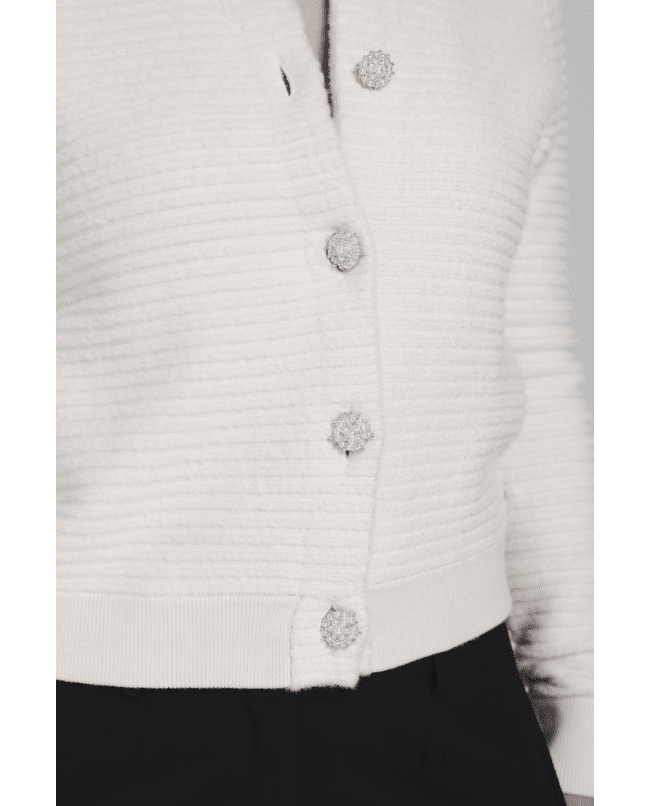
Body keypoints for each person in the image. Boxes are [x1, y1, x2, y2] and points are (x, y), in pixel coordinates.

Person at [56, 1, 594, 803]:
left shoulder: (509, 13)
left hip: (469, 711)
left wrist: (587, 703)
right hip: (97, 718)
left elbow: (529, 362)